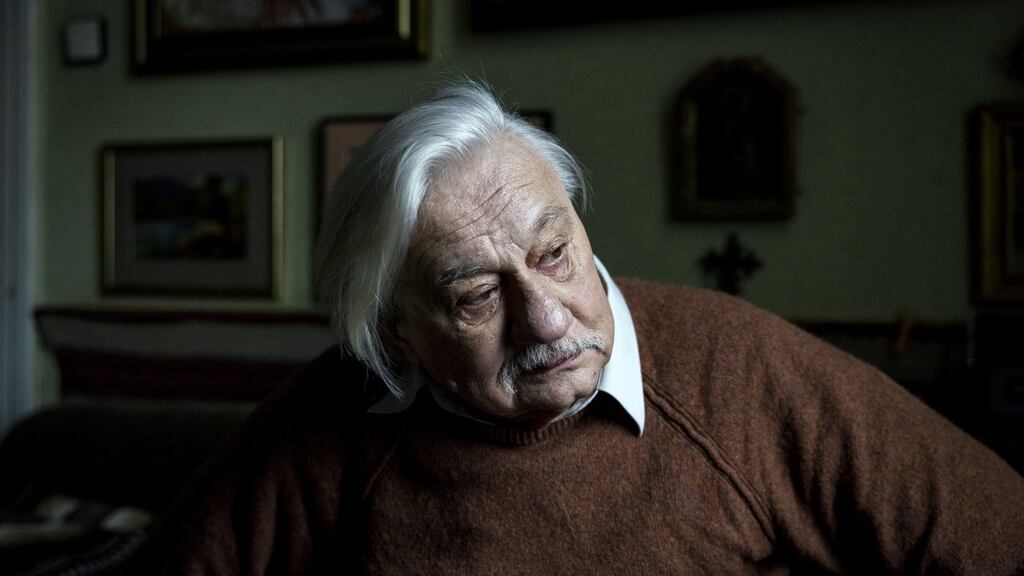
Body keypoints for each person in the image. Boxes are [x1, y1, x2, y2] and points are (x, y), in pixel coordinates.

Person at [133, 78, 1024, 574]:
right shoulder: (334, 416)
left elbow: (993, 530)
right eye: (478, 296)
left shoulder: (740, 368)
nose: (546, 318)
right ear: (400, 335)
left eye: (554, 252)